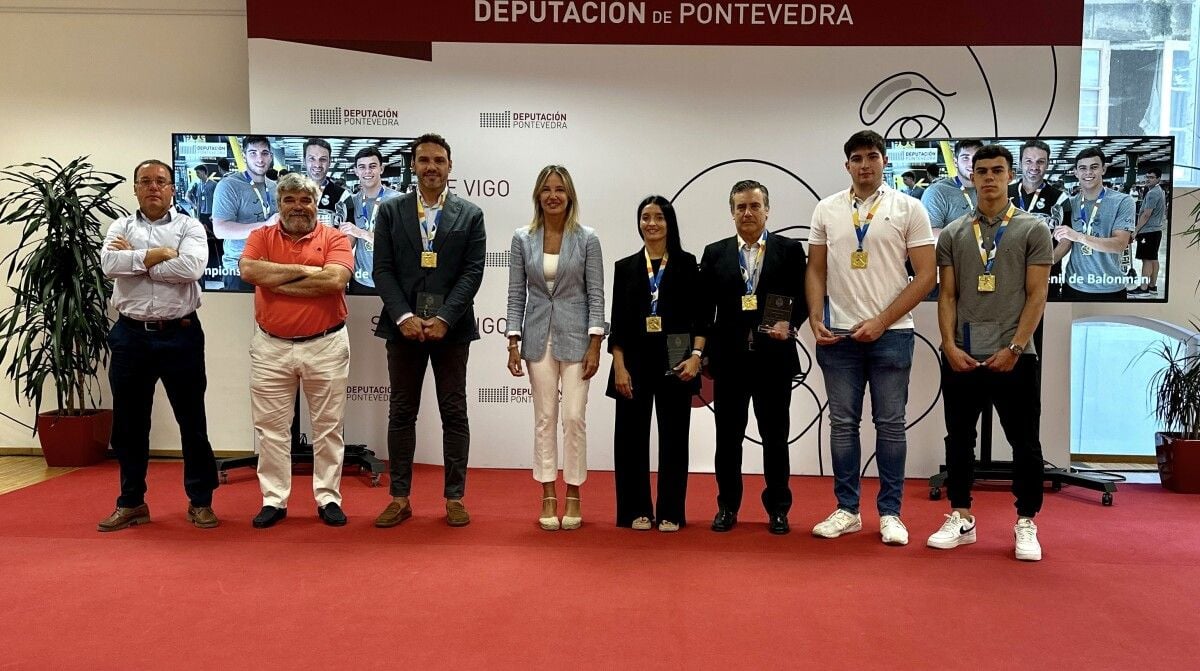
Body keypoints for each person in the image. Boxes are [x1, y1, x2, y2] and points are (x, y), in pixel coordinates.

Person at [806, 131, 937, 545]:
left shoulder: (908, 208)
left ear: (885, 162)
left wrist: (882, 321)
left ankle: (891, 513)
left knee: (890, 425)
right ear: (847, 165)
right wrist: (814, 316)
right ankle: (847, 510)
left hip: (892, 335)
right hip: (839, 336)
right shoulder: (826, 209)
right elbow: (815, 270)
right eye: (857, 158)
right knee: (843, 424)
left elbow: (927, 275)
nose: (865, 165)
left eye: (873, 157)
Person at [928, 144, 1051, 561]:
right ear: (972, 176)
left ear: (1010, 175)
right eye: (981, 171)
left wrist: (1015, 347)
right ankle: (961, 516)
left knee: (1024, 441)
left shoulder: (1033, 229)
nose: (988, 178)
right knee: (958, 438)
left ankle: (1026, 521)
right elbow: (947, 295)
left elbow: (1037, 296)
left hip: (1015, 355)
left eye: (997, 170)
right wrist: (948, 345)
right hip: (962, 354)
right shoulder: (953, 232)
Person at [97, 159, 219, 531]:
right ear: (135, 188)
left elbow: (192, 269)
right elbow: (107, 264)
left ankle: (200, 502)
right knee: (130, 426)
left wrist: (135, 260)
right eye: (145, 181)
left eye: (161, 181)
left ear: (172, 189)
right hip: (130, 335)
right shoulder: (120, 226)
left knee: (192, 422)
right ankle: (131, 502)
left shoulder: (190, 226)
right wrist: (159, 255)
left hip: (180, 334)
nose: (153, 187)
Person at [372, 133, 486, 528]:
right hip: (402, 328)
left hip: (450, 330)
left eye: (439, 160)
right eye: (424, 160)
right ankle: (399, 497)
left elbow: (472, 273)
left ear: (450, 166)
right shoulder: (390, 211)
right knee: (402, 412)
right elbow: (382, 270)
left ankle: (455, 497)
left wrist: (444, 318)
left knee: (454, 412)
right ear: (413, 165)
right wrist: (404, 317)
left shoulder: (470, 215)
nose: (431, 167)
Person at [239, 173, 353, 528]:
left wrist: (277, 282)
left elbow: (334, 280)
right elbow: (248, 270)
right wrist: (307, 272)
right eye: (289, 200)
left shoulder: (335, 238)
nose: (298, 206)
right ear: (278, 204)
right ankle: (274, 500)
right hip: (271, 346)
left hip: (326, 345)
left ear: (316, 203)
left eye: (305, 199)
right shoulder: (260, 236)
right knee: (271, 429)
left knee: (328, 428)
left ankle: (328, 498)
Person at [698, 180, 806, 535]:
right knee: (727, 440)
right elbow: (705, 309)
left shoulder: (789, 250)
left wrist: (789, 324)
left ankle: (778, 509)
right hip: (729, 362)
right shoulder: (714, 253)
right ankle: (727, 507)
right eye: (741, 207)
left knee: (776, 438)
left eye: (754, 206)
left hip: (773, 359)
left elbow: (804, 298)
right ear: (732, 212)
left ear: (767, 210)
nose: (748, 213)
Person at [507, 165, 605, 531]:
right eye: (546, 189)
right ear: (537, 195)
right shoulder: (522, 238)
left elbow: (596, 293)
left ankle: (574, 492)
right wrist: (512, 342)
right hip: (536, 337)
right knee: (545, 417)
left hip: (579, 337)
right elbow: (517, 293)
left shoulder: (587, 238)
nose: (553, 195)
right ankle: (548, 492)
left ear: (570, 196)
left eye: (559, 190)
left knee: (574, 418)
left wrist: (596, 343)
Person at [607, 196, 703, 532]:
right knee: (631, 440)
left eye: (658, 217)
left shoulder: (689, 264)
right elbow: (617, 322)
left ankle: (671, 511)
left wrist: (696, 356)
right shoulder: (625, 267)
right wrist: (618, 365)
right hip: (632, 362)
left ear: (669, 222)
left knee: (675, 440)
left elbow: (700, 319)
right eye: (645, 217)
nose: (651, 223)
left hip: (676, 361)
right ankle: (636, 509)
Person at [1053, 147, 1135, 301]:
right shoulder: (1069, 204)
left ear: (1103, 169)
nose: (1088, 172)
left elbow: (1119, 244)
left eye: (1094, 167)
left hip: (1110, 287)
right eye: (1082, 168)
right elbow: (1065, 243)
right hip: (1074, 286)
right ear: (1076, 172)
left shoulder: (1123, 201)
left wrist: (1079, 237)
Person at [213, 135, 277, 291]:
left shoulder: (276, 187)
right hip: (239, 267)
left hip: (272, 267)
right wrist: (266, 225)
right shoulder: (229, 185)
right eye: (253, 153)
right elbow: (220, 230)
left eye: (264, 153)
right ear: (244, 156)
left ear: (270, 156)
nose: (260, 159)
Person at [343, 147, 402, 294]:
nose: (367, 171)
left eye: (372, 166)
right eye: (362, 167)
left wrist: (362, 233)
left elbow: (400, 243)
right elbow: (349, 243)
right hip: (360, 279)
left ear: (381, 169)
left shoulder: (398, 201)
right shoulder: (352, 201)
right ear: (356, 171)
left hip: (392, 280)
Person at [922, 139, 983, 236]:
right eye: (965, 158)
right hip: (955, 250)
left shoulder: (989, 189)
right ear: (955, 162)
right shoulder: (937, 192)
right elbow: (929, 233)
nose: (972, 163)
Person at [1130, 167, 1166, 296]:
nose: (1148, 180)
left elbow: (1146, 215)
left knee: (1146, 259)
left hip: (1148, 232)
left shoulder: (1152, 193)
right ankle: (1152, 286)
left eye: (1151, 177)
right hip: (1156, 231)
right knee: (1153, 259)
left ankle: (1144, 288)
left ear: (1158, 179)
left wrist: (1135, 231)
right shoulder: (1159, 191)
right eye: (1147, 177)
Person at [303, 137, 351, 229]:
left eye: (323, 159)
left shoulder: (343, 196)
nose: (317, 165)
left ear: (330, 162)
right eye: (312, 159)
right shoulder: (291, 192)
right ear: (304, 161)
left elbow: (349, 233)